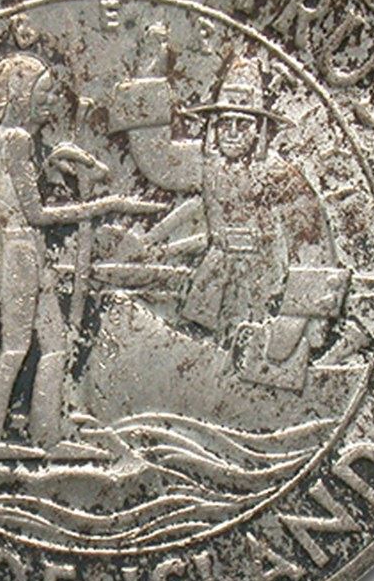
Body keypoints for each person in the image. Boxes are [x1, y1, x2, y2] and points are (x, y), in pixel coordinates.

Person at [111, 29, 345, 389]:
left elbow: (312, 249)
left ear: (260, 129)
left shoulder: (280, 175)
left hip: (264, 283)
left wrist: (294, 323)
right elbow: (157, 160)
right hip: (215, 277)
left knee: (252, 368)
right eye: (225, 123)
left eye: (243, 123)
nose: (232, 132)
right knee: (211, 365)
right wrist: (147, 80)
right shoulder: (208, 164)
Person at [0, 53, 159, 458]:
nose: (53, 101)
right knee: (17, 347)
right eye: (45, 93)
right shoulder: (15, 141)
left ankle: (47, 436)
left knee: (53, 344)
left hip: (27, 252)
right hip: (18, 252)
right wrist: (101, 207)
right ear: (21, 95)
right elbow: (35, 214)